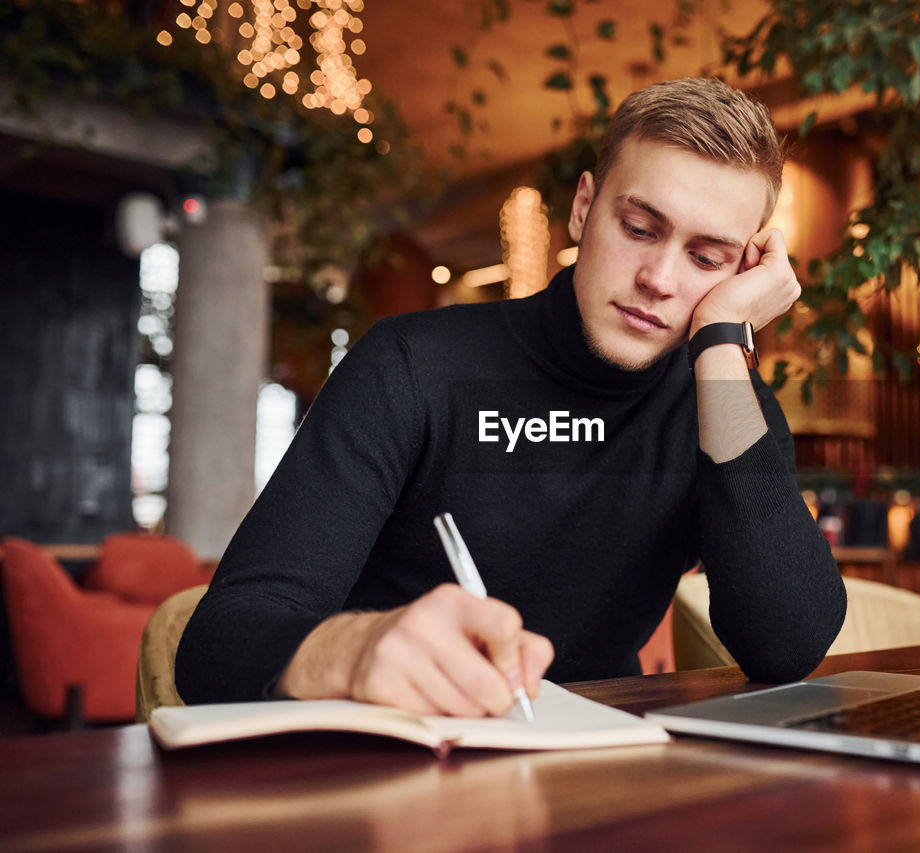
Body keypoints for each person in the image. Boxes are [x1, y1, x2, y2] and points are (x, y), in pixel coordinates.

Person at [176, 77, 847, 717]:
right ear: (584, 209)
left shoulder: (719, 399)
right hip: (390, 772)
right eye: (640, 228)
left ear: (745, 272)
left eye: (707, 259)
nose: (659, 278)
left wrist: (725, 337)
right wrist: (355, 651)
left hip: (600, 774)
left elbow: (785, 643)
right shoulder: (411, 365)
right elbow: (220, 641)